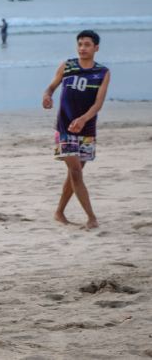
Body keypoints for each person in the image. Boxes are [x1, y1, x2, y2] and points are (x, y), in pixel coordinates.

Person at [43, 30, 110, 230]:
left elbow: (98, 104)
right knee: (75, 171)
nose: (82, 48)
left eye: (87, 44)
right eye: (80, 44)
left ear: (96, 48)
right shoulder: (68, 65)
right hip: (64, 127)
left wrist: (83, 119)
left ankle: (59, 212)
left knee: (74, 174)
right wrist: (47, 96)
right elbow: (50, 88)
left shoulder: (102, 72)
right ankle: (91, 218)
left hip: (86, 129)